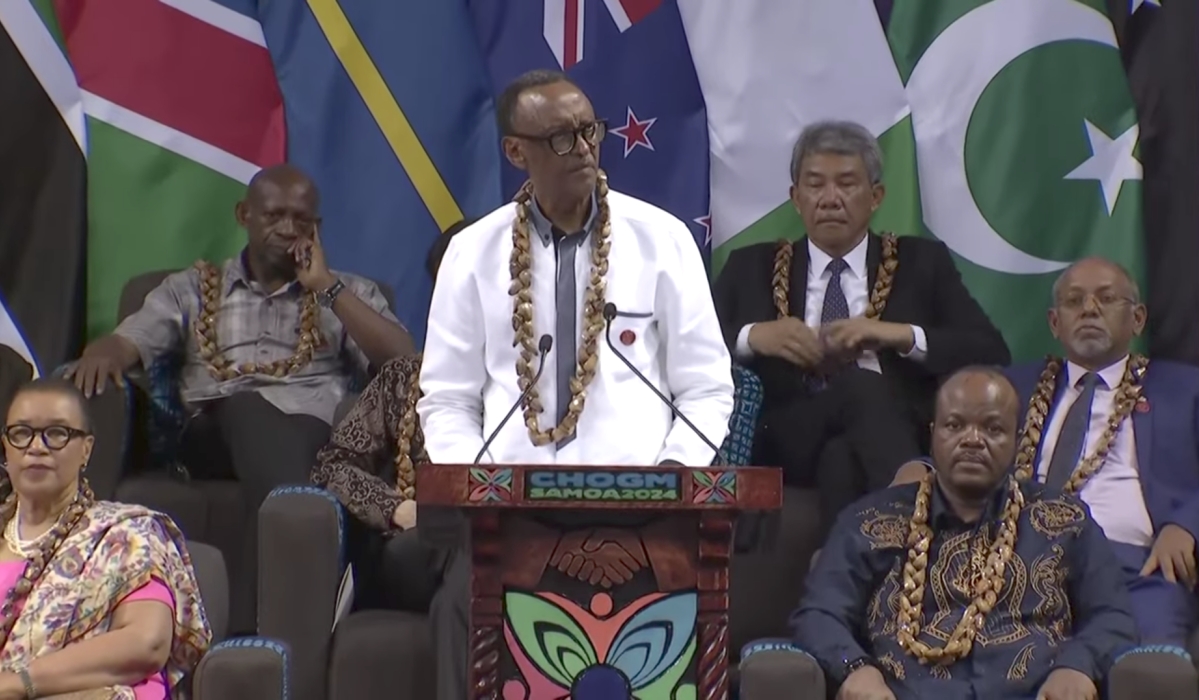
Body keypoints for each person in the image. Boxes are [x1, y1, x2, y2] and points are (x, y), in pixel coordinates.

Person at [417, 69, 735, 700]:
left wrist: (673, 479)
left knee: (699, 607)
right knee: (458, 605)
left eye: (589, 131)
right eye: (560, 138)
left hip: (647, 509)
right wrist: (479, 480)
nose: (584, 149)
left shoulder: (664, 241)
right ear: (517, 152)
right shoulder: (473, 253)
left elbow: (706, 390)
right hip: (510, 511)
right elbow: (447, 398)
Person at [714, 120, 1009, 539]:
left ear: (876, 197)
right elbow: (688, 350)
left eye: (847, 184)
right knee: (859, 386)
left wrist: (898, 335)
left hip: (889, 429)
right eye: (815, 185)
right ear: (796, 199)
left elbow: (989, 350)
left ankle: (834, 570)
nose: (830, 199)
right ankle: (917, 500)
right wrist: (753, 338)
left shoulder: (922, 263)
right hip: (786, 433)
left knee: (842, 456)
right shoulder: (751, 267)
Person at [64, 163, 413, 511]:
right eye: (274, 216)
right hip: (213, 437)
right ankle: (309, 518)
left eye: (301, 219)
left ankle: (297, 524)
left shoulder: (348, 291)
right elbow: (127, 341)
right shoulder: (190, 290)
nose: (288, 229)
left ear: (316, 227)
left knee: (285, 433)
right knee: (247, 405)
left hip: (313, 436)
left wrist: (327, 288)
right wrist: (103, 354)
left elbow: (404, 361)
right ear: (244, 214)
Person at [793, 366, 1136, 700]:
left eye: (993, 428)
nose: (973, 440)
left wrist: (1076, 667)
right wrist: (855, 668)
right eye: (955, 425)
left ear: (1017, 441)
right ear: (933, 434)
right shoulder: (869, 522)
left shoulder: (1064, 520)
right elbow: (820, 613)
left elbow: (1112, 614)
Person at [1006, 258, 1199, 650]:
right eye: (1074, 301)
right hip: (1018, 563)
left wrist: (1186, 524)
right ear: (1055, 323)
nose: (1089, 309)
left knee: (1151, 671)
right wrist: (917, 466)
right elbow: (960, 445)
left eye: (1106, 298)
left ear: (1138, 318)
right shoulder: (1011, 387)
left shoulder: (1184, 389)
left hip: (1136, 566)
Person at [0, 377, 210, 698]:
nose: (36, 446)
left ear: (86, 449)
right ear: (6, 447)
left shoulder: (127, 533)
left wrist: (20, 684)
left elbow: (145, 642)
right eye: (21, 433)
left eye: (57, 433)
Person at [311, 217, 475, 612]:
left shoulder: (554, 387)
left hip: (516, 547)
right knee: (467, 540)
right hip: (421, 547)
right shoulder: (405, 379)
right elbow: (332, 467)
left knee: (481, 557)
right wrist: (396, 509)